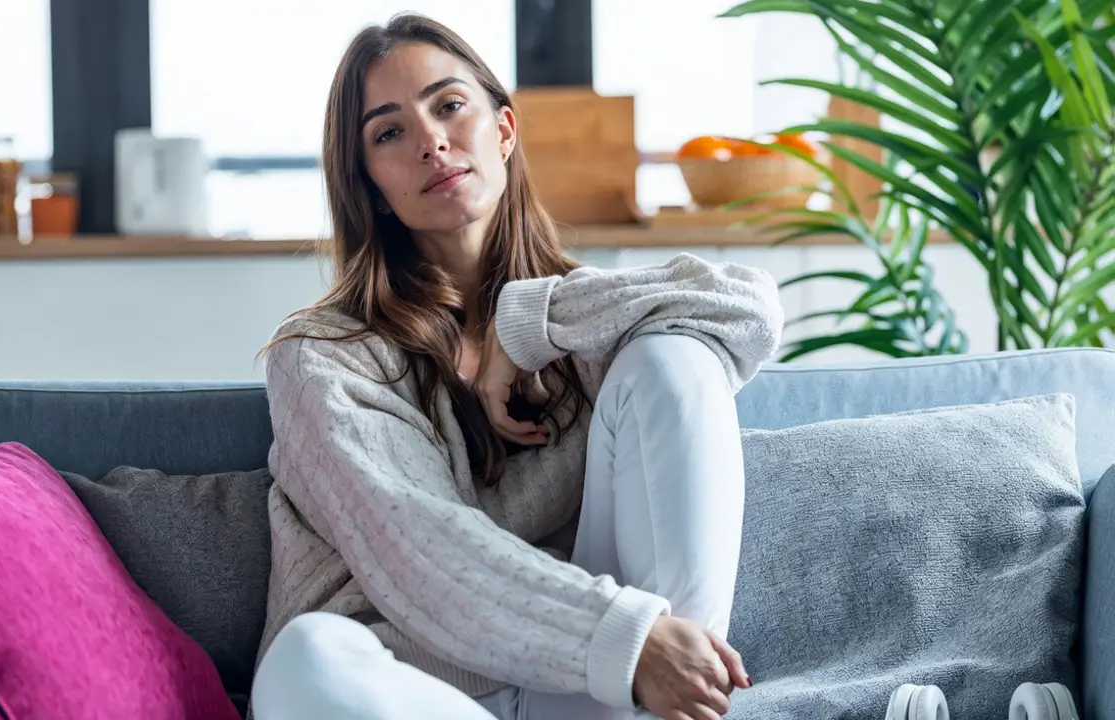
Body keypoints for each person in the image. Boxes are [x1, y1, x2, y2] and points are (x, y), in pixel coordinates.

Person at [250, 13, 784, 720]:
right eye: (389, 133)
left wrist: (531, 323)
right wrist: (628, 640)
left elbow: (749, 308)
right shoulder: (321, 357)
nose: (431, 141)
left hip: (592, 694)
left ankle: (683, 703)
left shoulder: (583, 317)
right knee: (305, 656)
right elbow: (422, 550)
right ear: (374, 186)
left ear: (503, 131)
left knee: (673, 353)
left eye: (448, 106)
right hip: (411, 691)